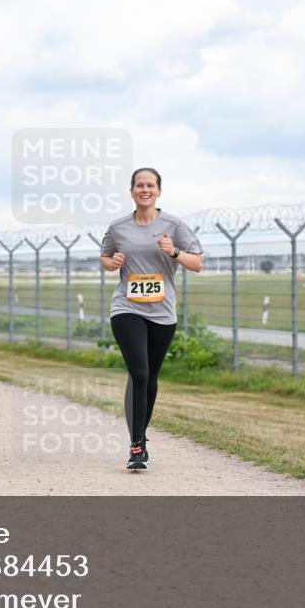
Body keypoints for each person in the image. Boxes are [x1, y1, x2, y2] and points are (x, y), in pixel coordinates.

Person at [100, 168, 203, 470]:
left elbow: (197, 263)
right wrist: (112, 262)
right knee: (140, 373)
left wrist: (174, 253)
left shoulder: (173, 225)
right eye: (139, 185)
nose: (144, 189)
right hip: (127, 308)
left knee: (151, 377)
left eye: (150, 185)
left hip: (162, 312)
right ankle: (136, 446)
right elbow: (105, 257)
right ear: (131, 191)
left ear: (159, 191)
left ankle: (141, 437)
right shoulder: (118, 227)